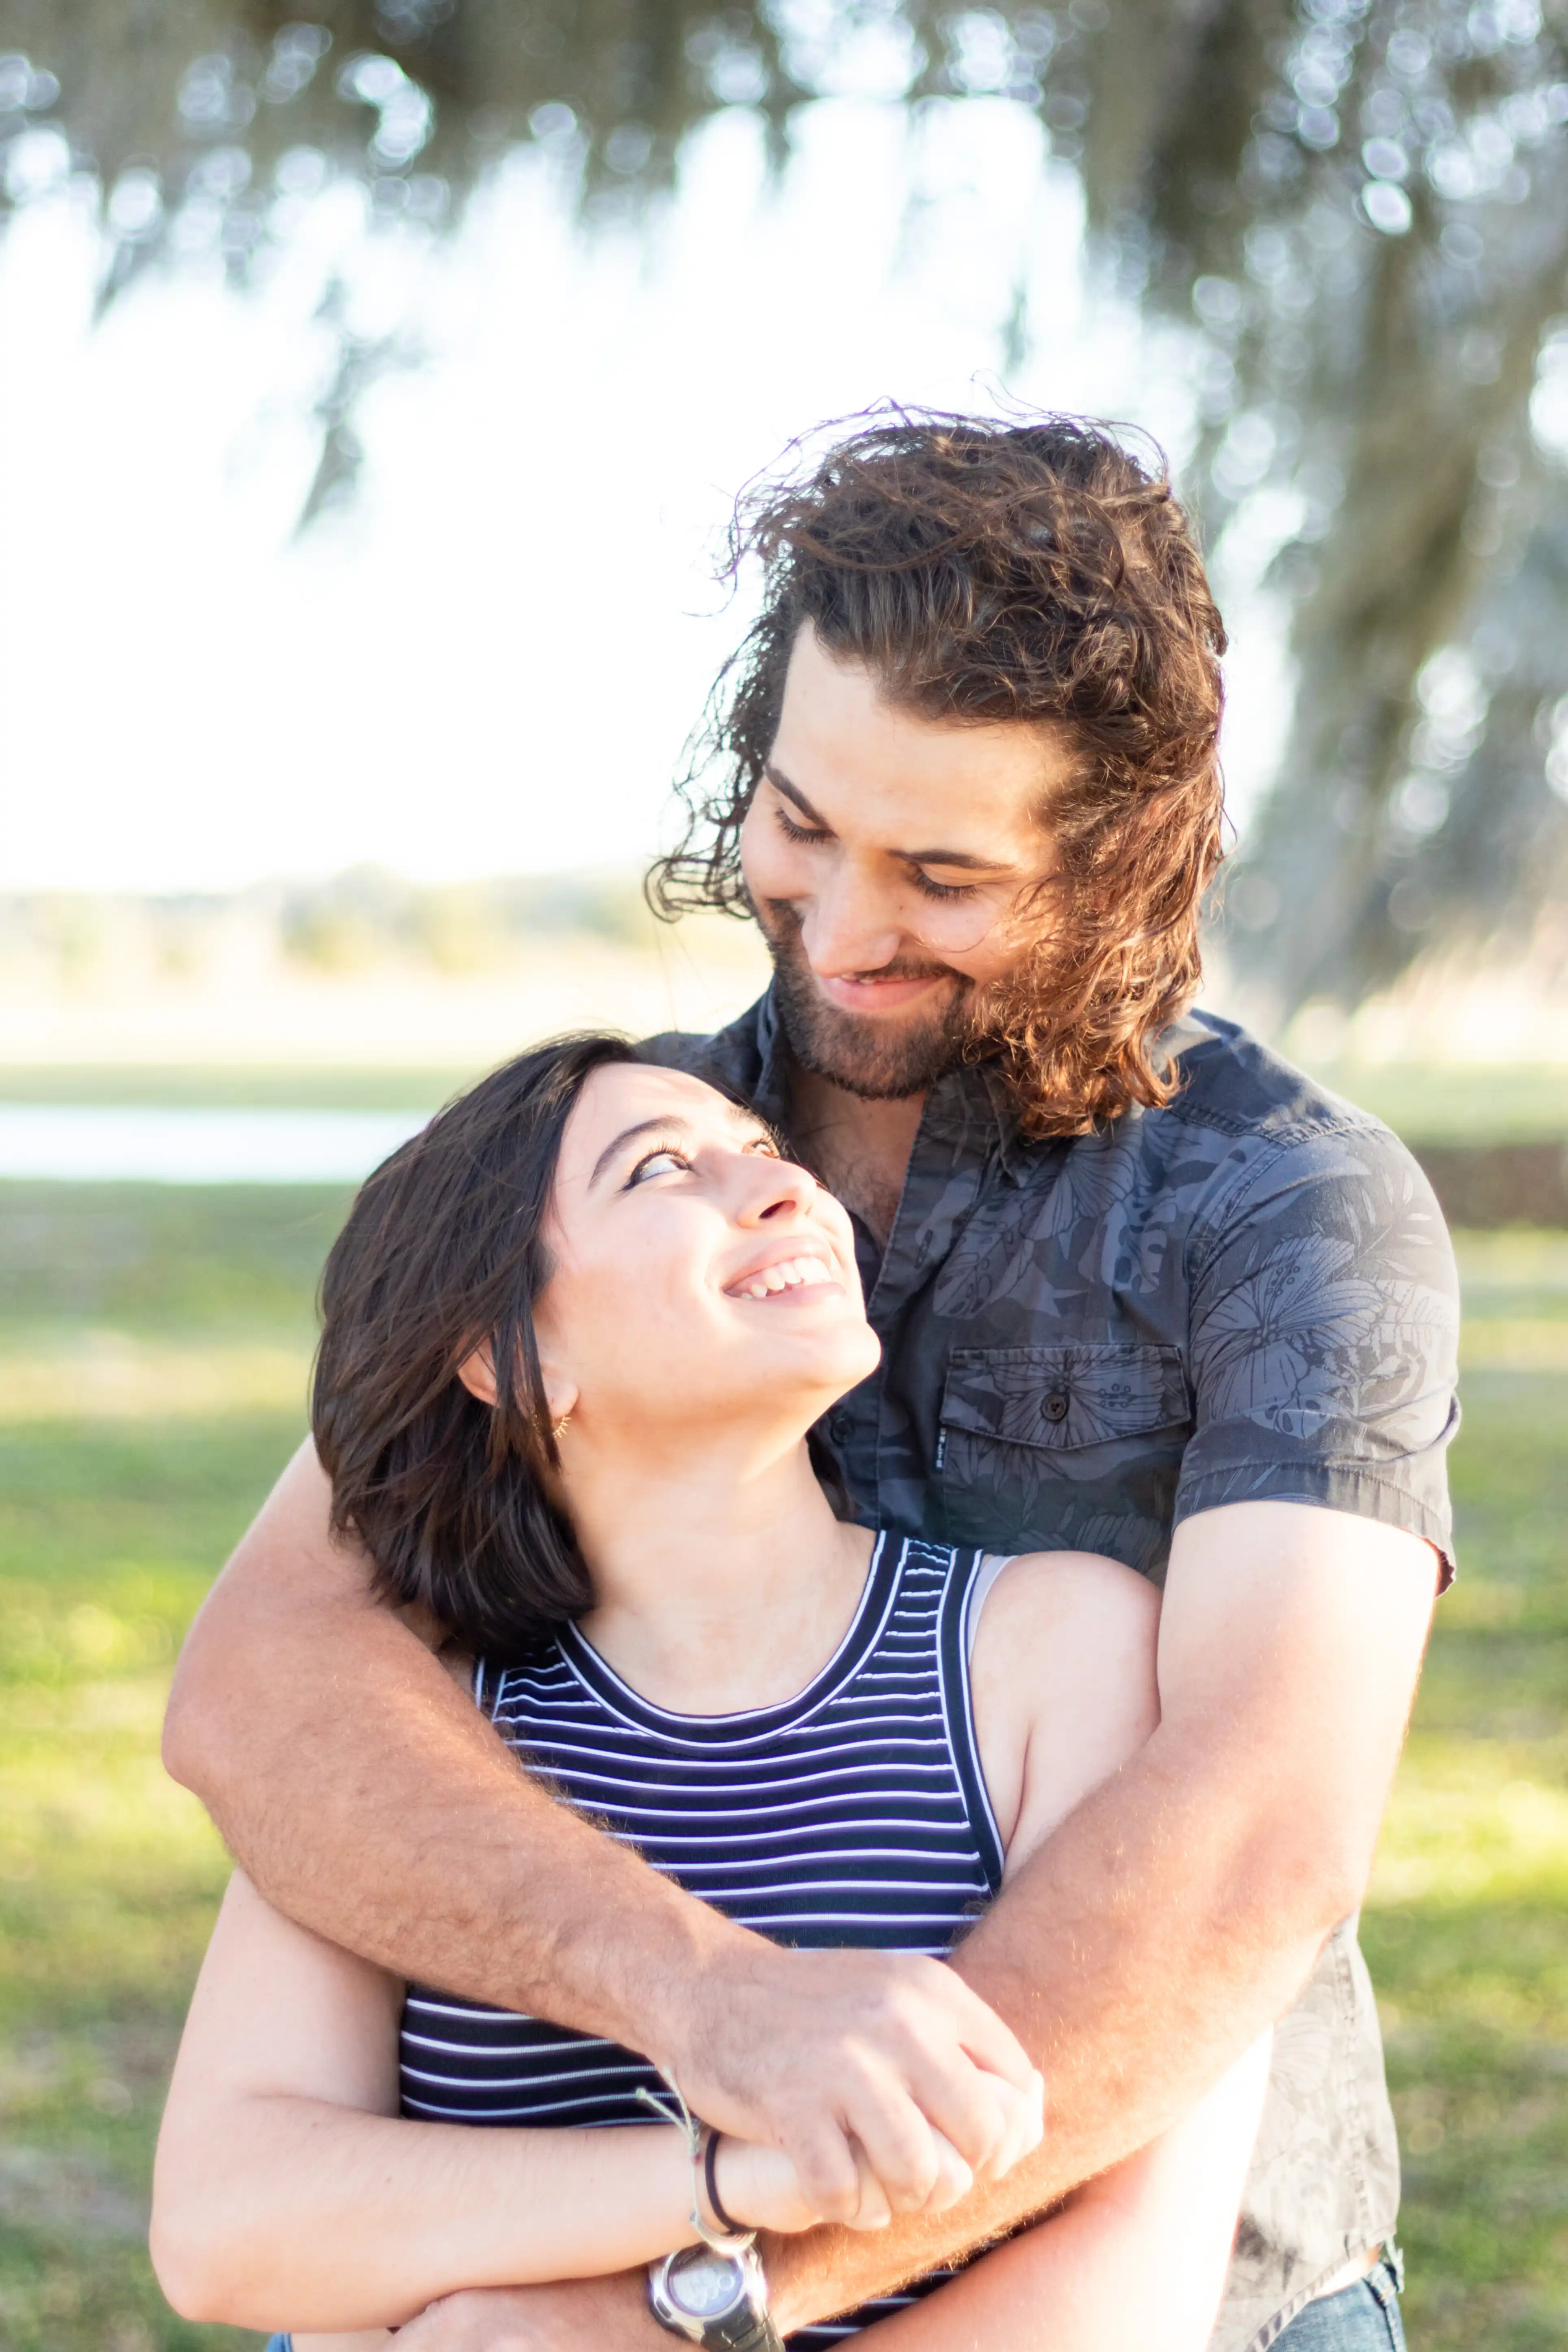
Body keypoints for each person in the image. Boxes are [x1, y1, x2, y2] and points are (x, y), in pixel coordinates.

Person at [163, 411, 1457, 2352]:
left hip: (1169, 2293)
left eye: (939, 872)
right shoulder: (617, 1149)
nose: (841, 934)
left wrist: (687, 2299)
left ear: (1116, 861)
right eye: (800, 824)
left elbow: (1251, 1847)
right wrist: (700, 2003)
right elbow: (271, 1680)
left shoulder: (1284, 1207)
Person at [151, 1037, 1274, 2351]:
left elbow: (1129, 2285)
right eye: (664, 1168)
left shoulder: (1052, 1651)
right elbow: (228, 2224)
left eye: (768, 1150)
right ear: (510, 1361)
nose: (781, 1185)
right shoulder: (414, 1740)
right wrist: (737, 2179)